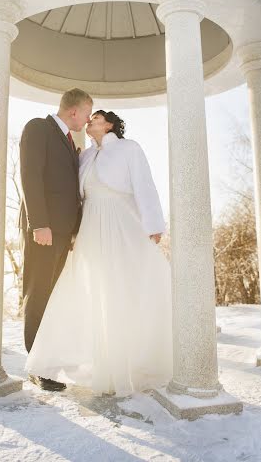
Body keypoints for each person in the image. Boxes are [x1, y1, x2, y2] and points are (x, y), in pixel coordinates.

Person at [26, 110, 173, 396]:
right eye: (89, 118)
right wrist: (72, 231)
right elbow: (75, 196)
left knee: (122, 287)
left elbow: (144, 185)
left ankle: (129, 359)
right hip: (90, 225)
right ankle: (93, 358)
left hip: (120, 222)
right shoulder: (85, 156)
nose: (89, 122)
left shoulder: (129, 148)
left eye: (95, 118)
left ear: (109, 124)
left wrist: (154, 223)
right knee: (91, 288)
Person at [19, 88, 93, 391]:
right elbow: (30, 175)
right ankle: (37, 367)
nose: (88, 120)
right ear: (73, 111)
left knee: (53, 296)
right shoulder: (39, 127)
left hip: (62, 232)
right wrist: (39, 223)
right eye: (88, 113)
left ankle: (48, 357)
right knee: (38, 294)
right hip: (45, 230)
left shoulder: (69, 140)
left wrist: (73, 229)